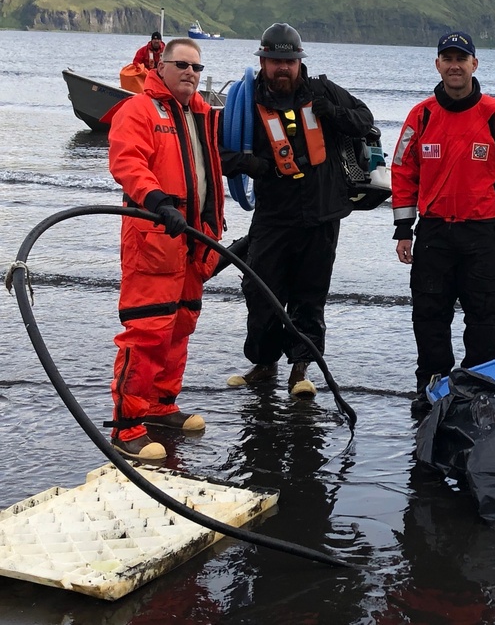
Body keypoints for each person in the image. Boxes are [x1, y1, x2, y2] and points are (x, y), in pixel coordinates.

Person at [222, 23, 376, 397]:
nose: (282, 68)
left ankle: (301, 370)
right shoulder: (245, 100)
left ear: (298, 62)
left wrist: (334, 112)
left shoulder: (322, 90)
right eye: (275, 61)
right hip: (273, 217)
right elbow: (222, 156)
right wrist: (254, 165)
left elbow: (365, 120)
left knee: (310, 297)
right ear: (262, 61)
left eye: (289, 61)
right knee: (261, 294)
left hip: (322, 215)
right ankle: (263, 364)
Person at [391, 31, 495, 404]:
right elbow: (402, 171)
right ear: (437, 64)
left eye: (461, 58)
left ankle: (476, 392)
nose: (454, 65)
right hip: (433, 233)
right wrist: (403, 229)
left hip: (482, 235)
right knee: (429, 318)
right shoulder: (419, 116)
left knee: (483, 319)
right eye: (447, 58)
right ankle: (431, 390)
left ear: (474, 64)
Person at [107, 38, 224, 461]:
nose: (191, 72)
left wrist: (213, 226)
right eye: (182, 65)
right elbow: (127, 163)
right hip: (155, 240)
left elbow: (209, 174)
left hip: (194, 242)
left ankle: (159, 406)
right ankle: (126, 425)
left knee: (180, 326)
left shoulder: (202, 115)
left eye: (196, 66)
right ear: (162, 67)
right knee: (147, 330)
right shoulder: (137, 110)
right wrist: (156, 201)